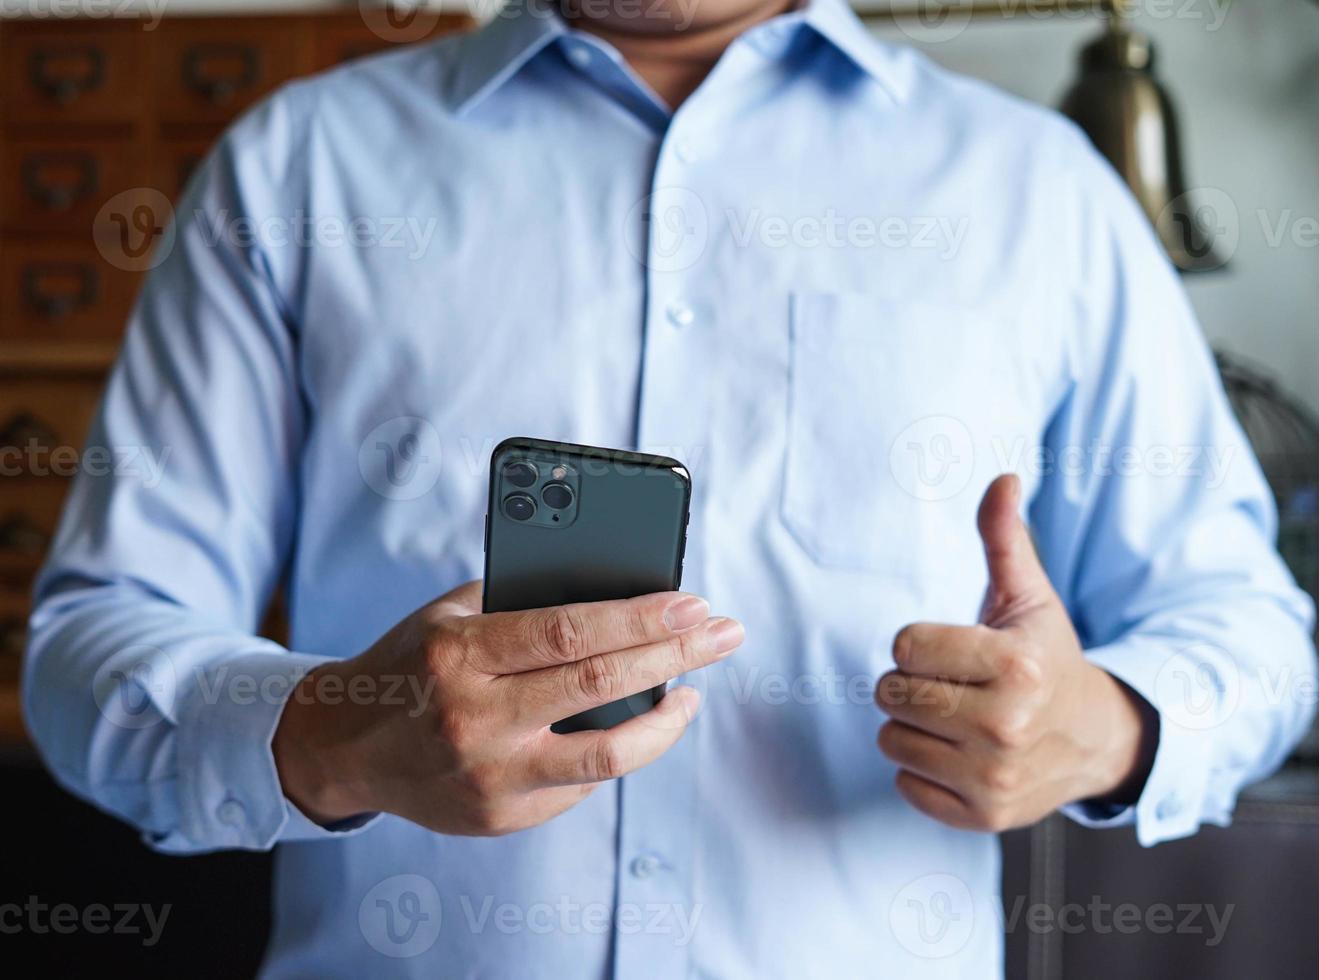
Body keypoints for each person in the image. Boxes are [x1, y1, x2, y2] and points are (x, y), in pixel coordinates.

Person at [23, 0, 1315, 976]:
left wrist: (1121, 724)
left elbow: (1248, 630)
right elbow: (86, 649)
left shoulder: (1043, 192)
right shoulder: (296, 167)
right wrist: (328, 732)